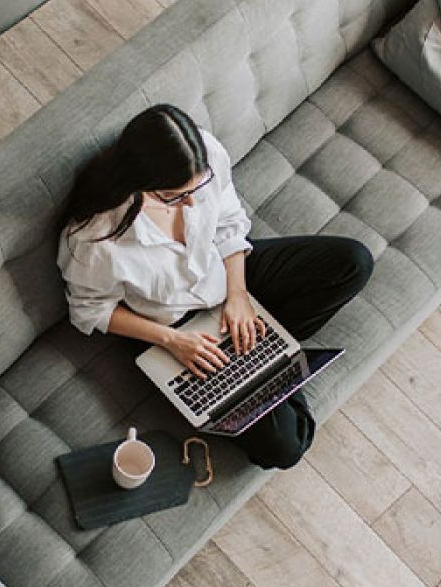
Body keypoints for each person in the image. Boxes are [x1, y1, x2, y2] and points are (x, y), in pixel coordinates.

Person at [56, 103, 373, 470]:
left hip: (227, 275)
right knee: (287, 446)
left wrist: (238, 296)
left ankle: (260, 352)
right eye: (175, 196)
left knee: (353, 262)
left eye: (198, 187)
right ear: (138, 183)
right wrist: (172, 341)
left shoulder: (204, 155)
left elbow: (227, 222)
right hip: (171, 325)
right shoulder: (94, 239)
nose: (191, 202)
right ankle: (263, 360)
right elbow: (89, 310)